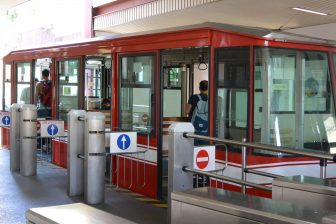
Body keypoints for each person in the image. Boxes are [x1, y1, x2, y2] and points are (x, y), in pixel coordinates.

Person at [186, 80, 209, 145]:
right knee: (204, 149)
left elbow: (187, 111)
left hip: (193, 128)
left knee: (193, 149)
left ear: (199, 88)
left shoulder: (193, 97)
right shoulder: (211, 98)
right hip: (206, 129)